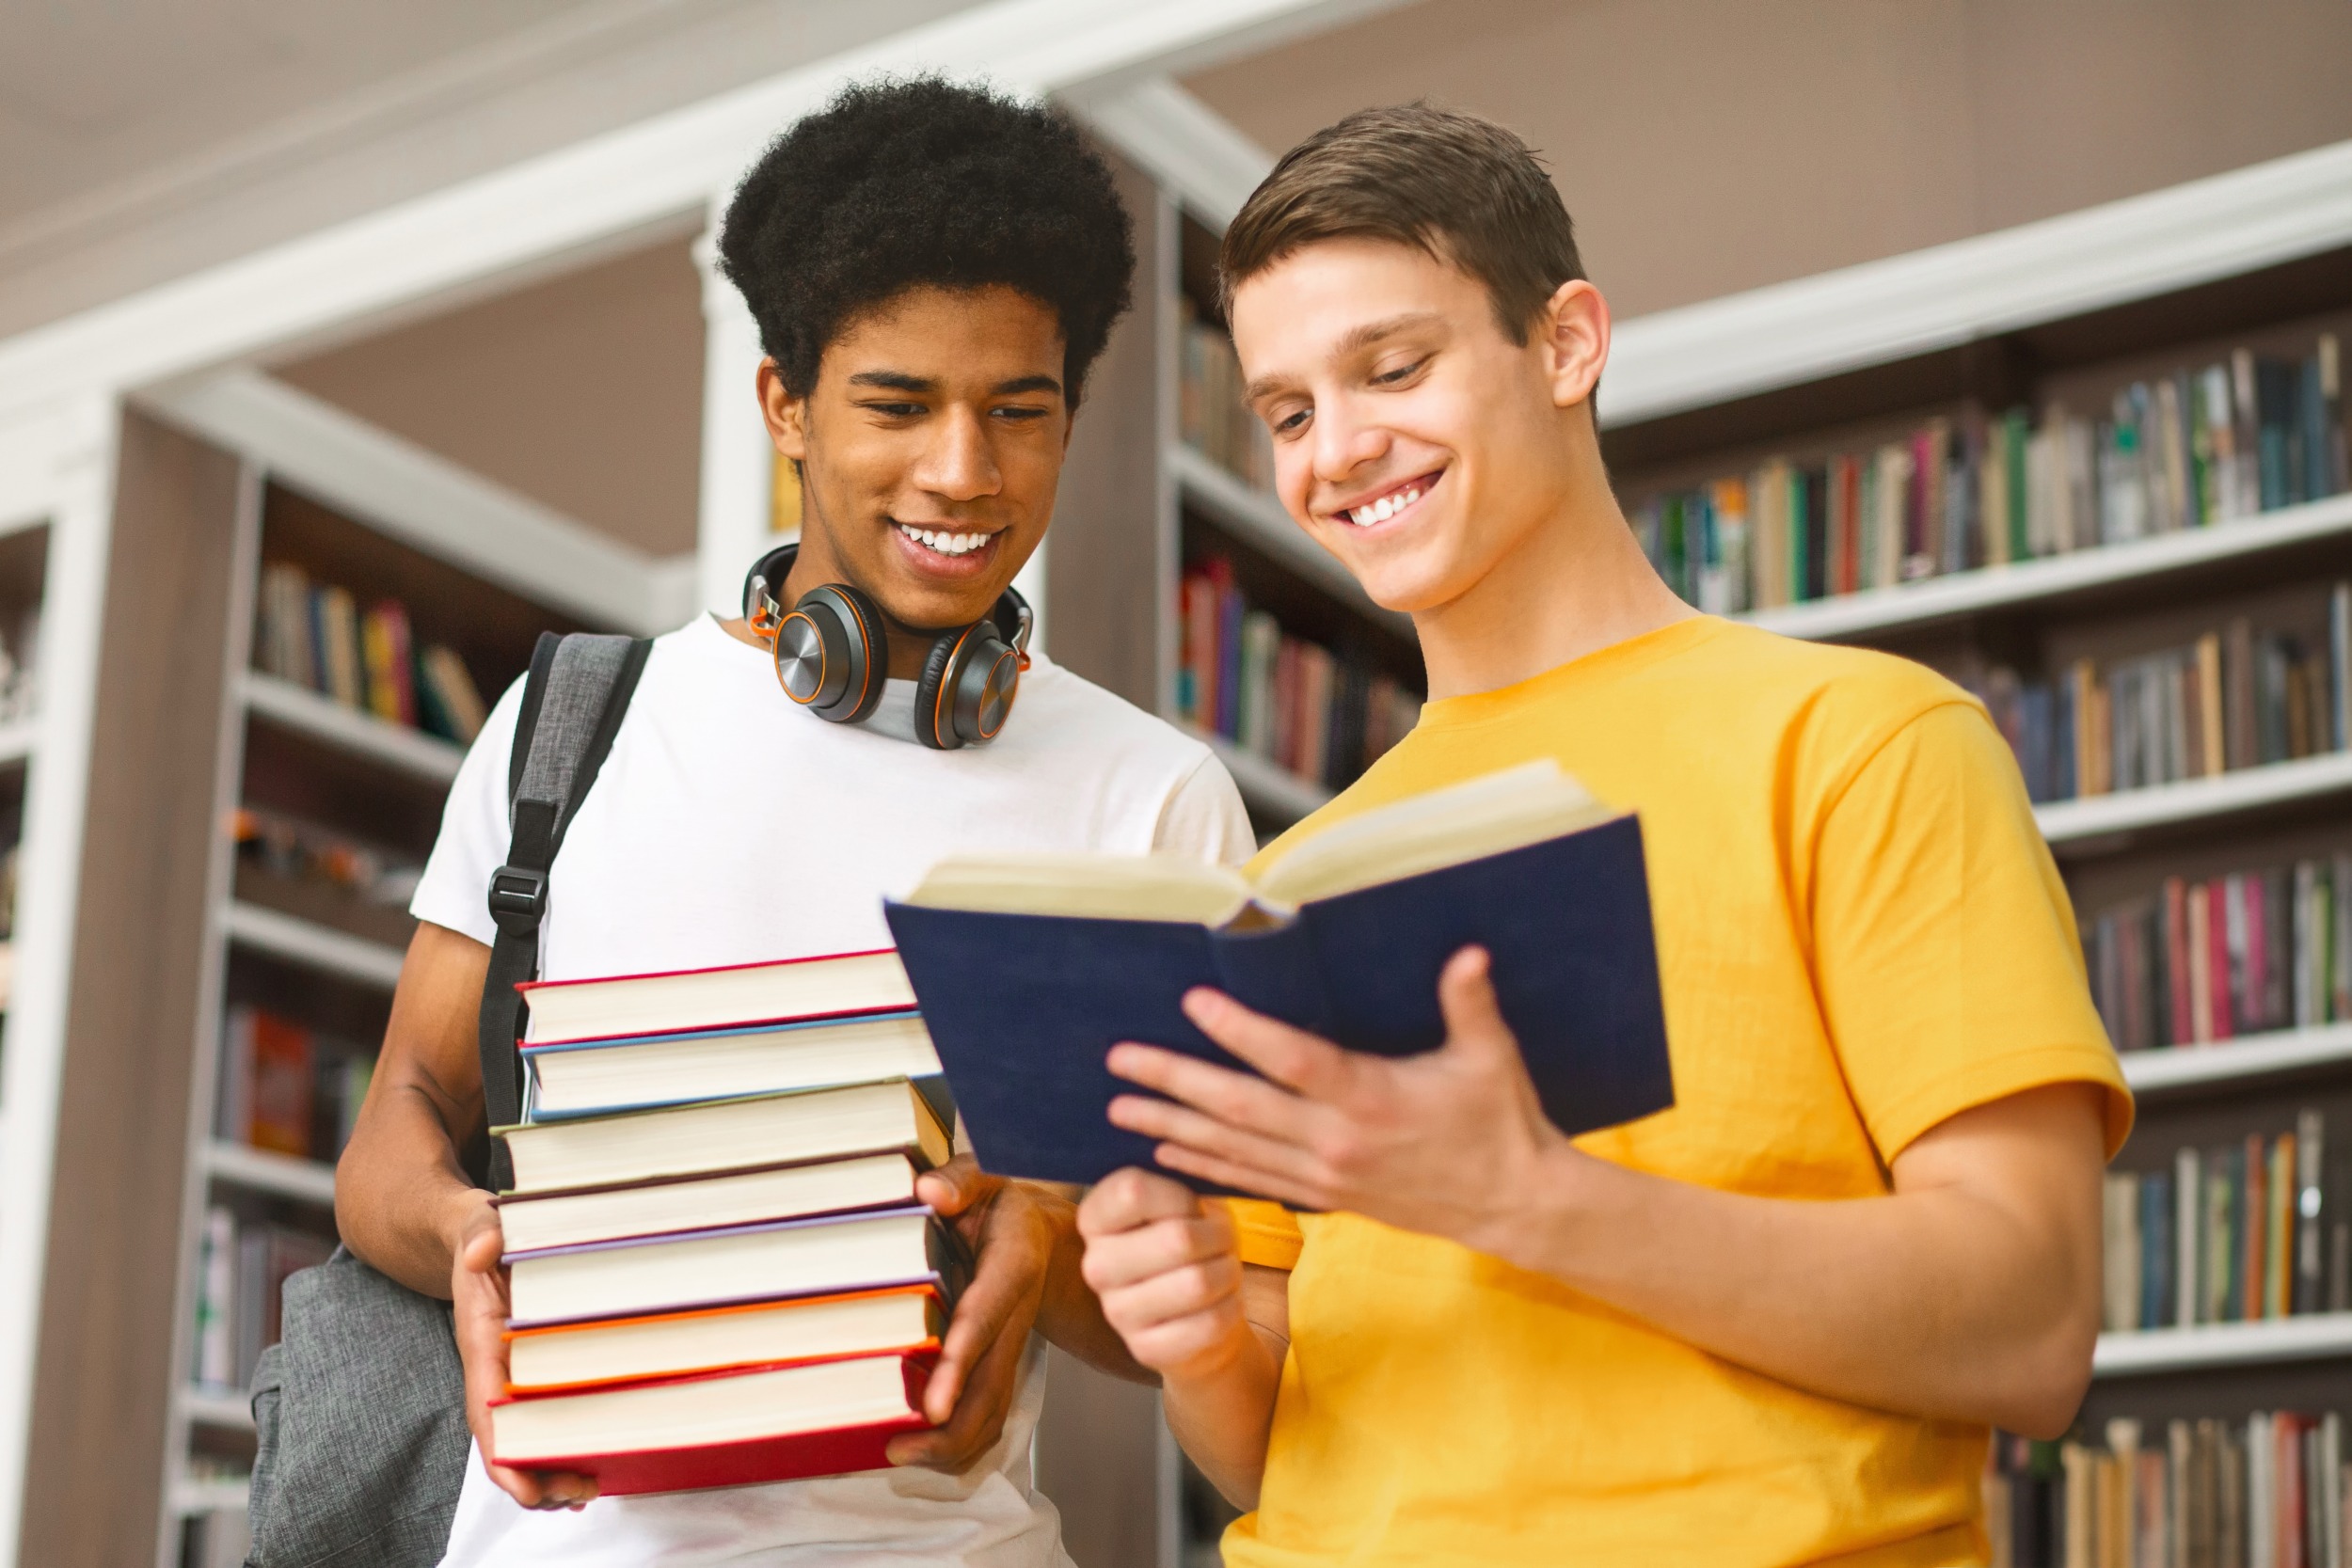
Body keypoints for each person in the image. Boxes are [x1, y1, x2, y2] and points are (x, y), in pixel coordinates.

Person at [1073, 103, 2132, 1567]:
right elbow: (1268, 1448)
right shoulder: (1283, 887)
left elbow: (2030, 1325)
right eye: (1291, 412)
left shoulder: (1865, 746)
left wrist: (1531, 1201)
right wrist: (1192, 1343)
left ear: (1566, 343)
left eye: (1392, 368)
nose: (1340, 450)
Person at [335, 77, 1251, 1568]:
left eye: (1019, 412)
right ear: (786, 405)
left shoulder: (1151, 798)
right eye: (898, 404)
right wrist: (470, 1243)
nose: (965, 472)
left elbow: (1186, 1308)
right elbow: (400, 1129)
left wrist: (1042, 1241)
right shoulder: (577, 720)